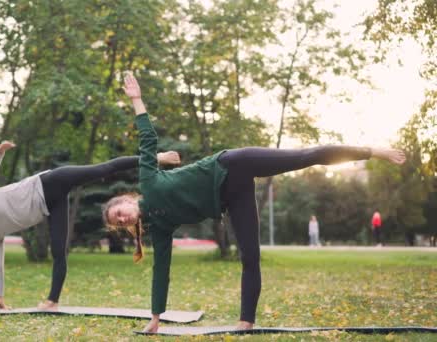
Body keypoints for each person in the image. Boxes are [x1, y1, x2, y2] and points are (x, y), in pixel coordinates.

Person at [102, 73, 407, 333]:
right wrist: (155, 318)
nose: (122, 219)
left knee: (303, 157)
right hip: (233, 196)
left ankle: (371, 150)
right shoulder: (161, 226)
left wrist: (136, 100)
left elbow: (147, 140)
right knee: (250, 255)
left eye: (119, 212)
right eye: (118, 223)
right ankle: (246, 322)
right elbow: (162, 270)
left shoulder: (147, 181)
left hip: (233, 164)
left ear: (127, 200)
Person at [0, 141, 181, 311]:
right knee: (59, 252)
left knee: (103, 169)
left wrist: (0, 151)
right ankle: (52, 302)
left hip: (50, 181)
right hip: (53, 205)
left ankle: (156, 158)